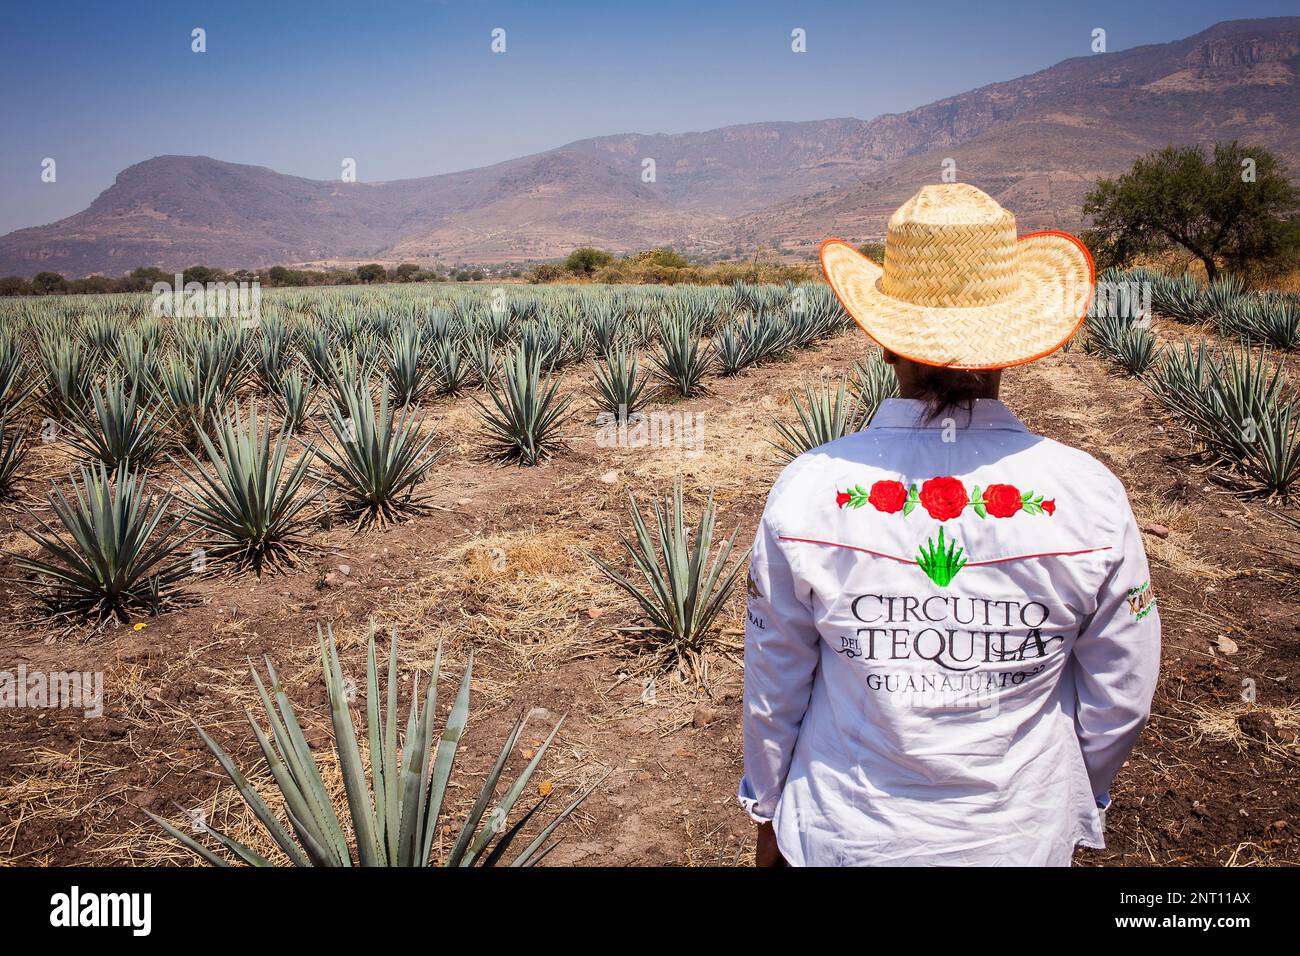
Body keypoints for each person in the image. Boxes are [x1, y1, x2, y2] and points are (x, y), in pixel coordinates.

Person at [739, 183, 1161, 866]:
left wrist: (766, 808)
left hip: (843, 833)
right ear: (1009, 347)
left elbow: (775, 680)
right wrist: (1069, 797)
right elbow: (1121, 695)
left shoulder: (811, 488)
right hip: (1019, 837)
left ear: (884, 345)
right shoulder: (1089, 496)